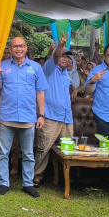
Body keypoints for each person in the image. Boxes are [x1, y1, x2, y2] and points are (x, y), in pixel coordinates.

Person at [0, 36, 48, 198]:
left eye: (21, 46)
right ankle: (3, 183)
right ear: (10, 49)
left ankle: (28, 184)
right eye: (15, 46)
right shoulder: (2, 66)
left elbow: (40, 92)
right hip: (6, 115)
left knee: (28, 153)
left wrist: (41, 115)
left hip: (28, 116)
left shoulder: (36, 67)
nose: (18, 49)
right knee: (3, 152)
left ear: (26, 48)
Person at [34, 34, 73, 187]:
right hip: (50, 116)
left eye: (67, 56)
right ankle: (36, 175)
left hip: (66, 117)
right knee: (44, 147)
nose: (64, 58)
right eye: (62, 55)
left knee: (68, 148)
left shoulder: (66, 74)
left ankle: (66, 178)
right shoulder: (49, 68)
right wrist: (60, 46)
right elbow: (56, 56)